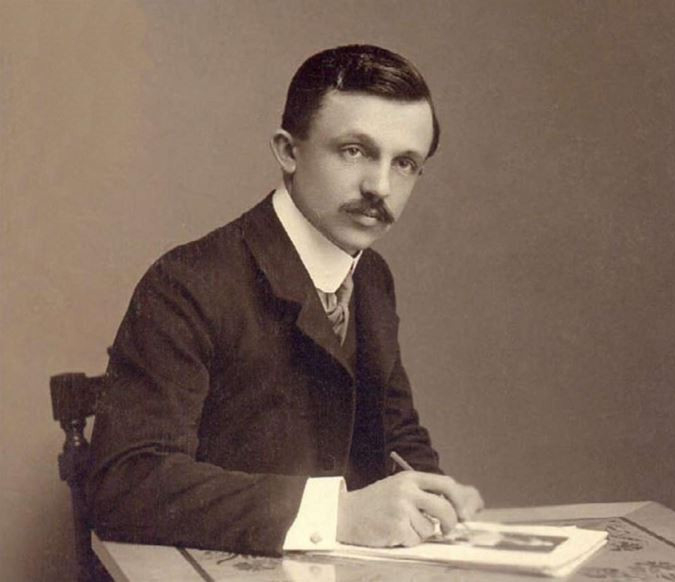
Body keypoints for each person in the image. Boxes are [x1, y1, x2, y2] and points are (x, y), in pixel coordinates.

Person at [87, 44, 483, 556]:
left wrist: (433, 494)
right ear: (288, 151)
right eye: (354, 151)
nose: (380, 186)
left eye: (405, 163)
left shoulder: (372, 278)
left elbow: (396, 432)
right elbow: (127, 483)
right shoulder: (187, 282)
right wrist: (336, 515)